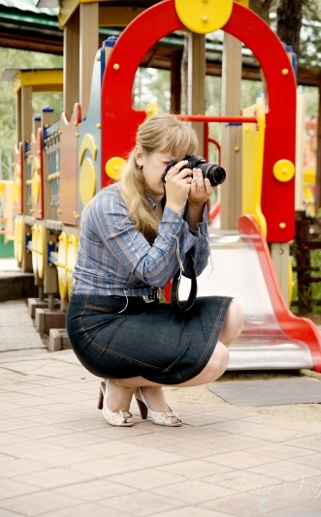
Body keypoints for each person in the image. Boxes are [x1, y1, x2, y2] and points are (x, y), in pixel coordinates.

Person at [66, 113, 244, 427]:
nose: (177, 173)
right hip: (98, 324)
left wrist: (194, 209)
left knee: (232, 316)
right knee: (215, 359)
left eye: (184, 164)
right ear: (139, 157)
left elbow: (194, 268)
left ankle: (136, 379)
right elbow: (155, 275)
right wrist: (176, 207)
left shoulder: (166, 201)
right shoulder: (110, 205)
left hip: (144, 314)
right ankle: (123, 382)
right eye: (168, 163)